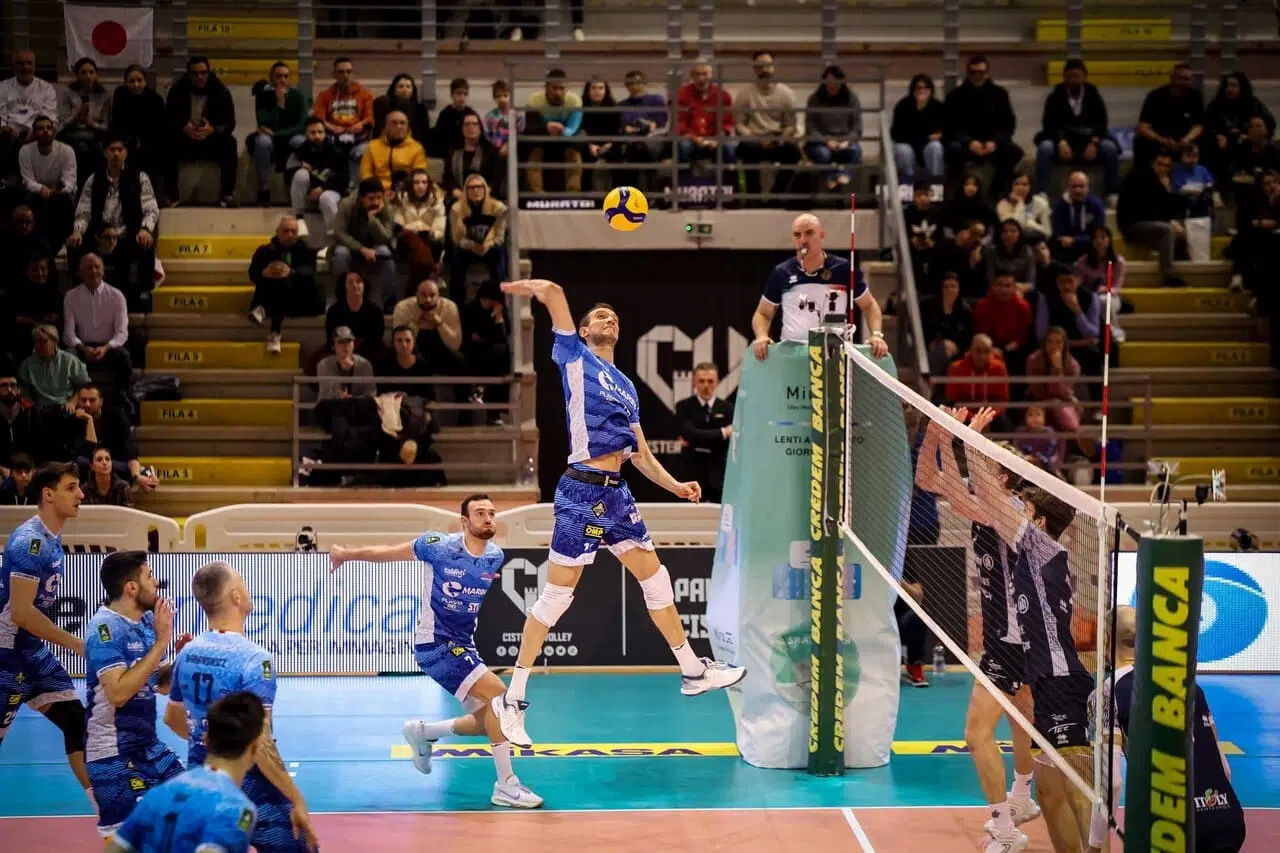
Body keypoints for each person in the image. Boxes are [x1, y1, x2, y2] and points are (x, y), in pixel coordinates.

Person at [491, 279, 747, 748]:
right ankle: (513, 698)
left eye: (614, 317)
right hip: (582, 489)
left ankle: (693, 670)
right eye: (599, 317)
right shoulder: (574, 358)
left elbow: (641, 453)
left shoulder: (627, 386)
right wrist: (537, 289)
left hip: (618, 495)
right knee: (556, 599)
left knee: (657, 579)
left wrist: (676, 485)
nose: (609, 320)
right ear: (584, 331)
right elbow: (554, 294)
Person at [327, 494, 543, 808]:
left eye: (492, 513)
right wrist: (347, 554)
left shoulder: (495, 556)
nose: (488, 518)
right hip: (435, 644)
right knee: (501, 698)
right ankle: (506, 785)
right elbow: (389, 552)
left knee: (489, 719)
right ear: (464, 521)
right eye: (480, 513)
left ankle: (424, 732)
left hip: (464, 644)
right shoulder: (438, 546)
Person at [914, 406, 1041, 850]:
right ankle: (1022, 795)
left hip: (1014, 642)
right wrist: (936, 435)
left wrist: (963, 438)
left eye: (986, 467)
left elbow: (959, 493)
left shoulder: (1008, 510)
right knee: (1022, 717)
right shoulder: (987, 503)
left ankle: (1005, 829)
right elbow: (927, 478)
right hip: (1014, 638)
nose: (977, 474)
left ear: (1002, 478)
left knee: (976, 733)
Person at [968, 451, 1097, 853]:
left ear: (1038, 523)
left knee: (1078, 793)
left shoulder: (1042, 548)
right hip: (1042, 682)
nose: (1017, 513)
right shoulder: (1031, 553)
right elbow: (990, 503)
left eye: (1025, 510)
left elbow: (991, 498)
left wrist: (973, 447)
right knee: (1051, 795)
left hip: (1062, 683)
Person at [164, 561, 319, 852]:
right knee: (300, 844)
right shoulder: (254, 660)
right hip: (248, 786)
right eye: (243, 582)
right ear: (236, 596)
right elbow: (261, 745)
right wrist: (297, 799)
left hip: (201, 780)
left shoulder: (188, 653)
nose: (247, 589)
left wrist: (213, 741)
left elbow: (172, 718)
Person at [1088, 605, 1247, 853]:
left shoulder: (1107, 693)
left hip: (1172, 828)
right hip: (1227, 819)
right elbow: (1224, 768)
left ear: (1106, 640)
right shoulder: (1190, 686)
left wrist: (1095, 845)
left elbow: (1112, 783)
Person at [0, 462, 96, 811]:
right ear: (48, 494)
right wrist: (77, 644)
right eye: (72, 488)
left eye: (79, 487)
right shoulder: (30, 542)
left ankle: (104, 810)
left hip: (30, 651)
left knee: (76, 720)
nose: (81, 494)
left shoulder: (53, 540)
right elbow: (22, 613)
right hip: (6, 655)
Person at [84, 550, 185, 840]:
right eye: (149, 577)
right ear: (131, 588)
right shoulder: (104, 628)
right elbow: (118, 693)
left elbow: (159, 682)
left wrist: (185, 659)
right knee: (131, 842)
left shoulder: (145, 622)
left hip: (149, 748)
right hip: (112, 755)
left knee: (193, 810)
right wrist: (162, 641)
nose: (157, 583)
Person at [107, 691, 266, 853]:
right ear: (255, 748)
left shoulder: (158, 794)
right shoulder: (237, 809)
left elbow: (115, 849)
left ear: (206, 740)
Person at [750, 213, 889, 360]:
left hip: (833, 355)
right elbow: (762, 314)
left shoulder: (842, 268)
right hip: (792, 356)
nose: (803, 240)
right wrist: (761, 336)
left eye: (809, 233)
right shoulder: (782, 272)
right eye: (797, 235)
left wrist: (876, 335)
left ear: (822, 235)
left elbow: (869, 305)